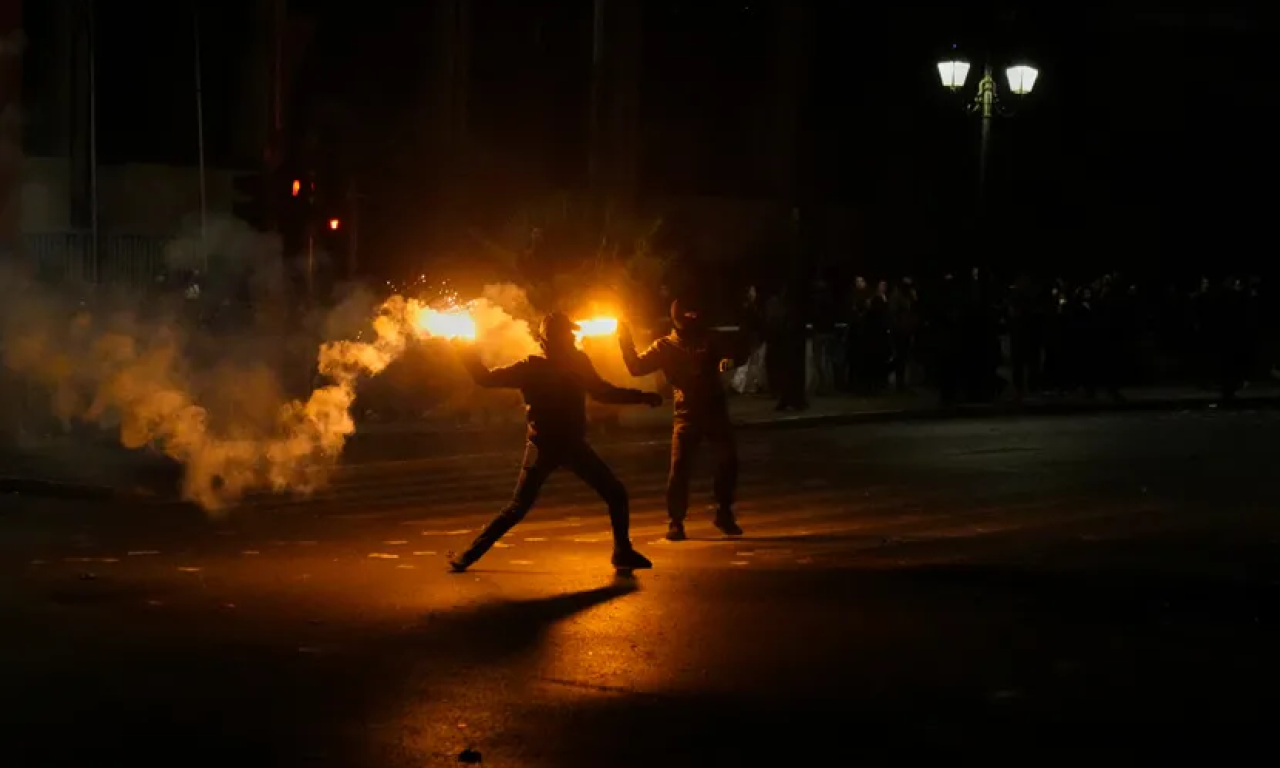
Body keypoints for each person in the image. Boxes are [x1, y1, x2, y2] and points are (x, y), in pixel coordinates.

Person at [447, 311, 663, 572]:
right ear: (553, 340)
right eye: (567, 334)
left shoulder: (569, 363)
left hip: (567, 445)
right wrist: (463, 349)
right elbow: (485, 378)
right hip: (548, 446)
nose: (572, 338)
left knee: (613, 494)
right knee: (520, 507)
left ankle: (622, 551)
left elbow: (603, 392)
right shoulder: (536, 366)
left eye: (571, 333)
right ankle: (468, 555)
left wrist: (641, 397)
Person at [618, 297, 745, 541]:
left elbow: (739, 351)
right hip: (686, 413)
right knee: (679, 470)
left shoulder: (711, 339)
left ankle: (724, 512)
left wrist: (732, 359)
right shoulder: (664, 346)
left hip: (715, 410)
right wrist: (624, 339)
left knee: (728, 462)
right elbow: (636, 367)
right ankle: (676, 521)